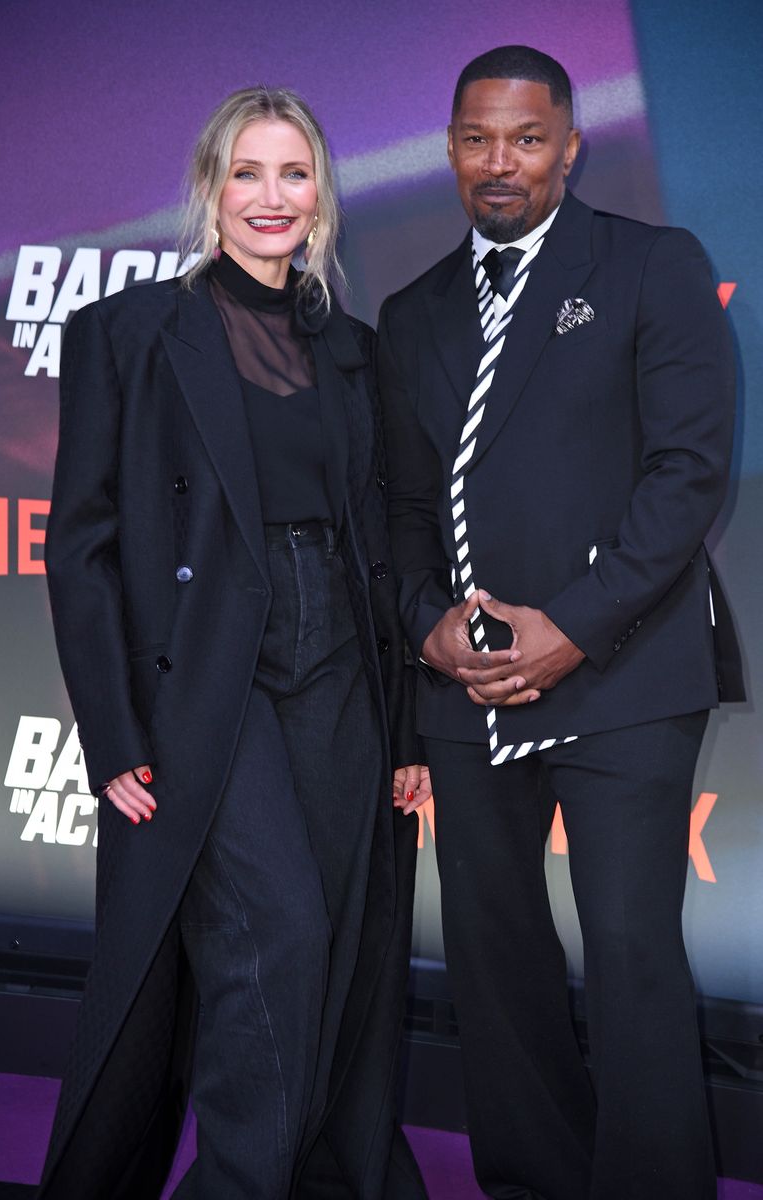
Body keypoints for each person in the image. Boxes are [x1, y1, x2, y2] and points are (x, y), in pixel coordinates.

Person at [39, 86, 430, 1200]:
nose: (272, 197)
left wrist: (408, 729)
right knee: (281, 936)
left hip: (342, 669)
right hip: (213, 666)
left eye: (294, 173)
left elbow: (379, 551)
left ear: (321, 197)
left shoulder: (356, 352)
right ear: (211, 189)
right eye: (247, 173)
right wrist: (112, 731)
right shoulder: (127, 334)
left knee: (346, 949)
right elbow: (81, 547)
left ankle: (319, 1177)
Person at [378, 45, 743, 1200]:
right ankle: (532, 1180)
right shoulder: (412, 310)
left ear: (571, 146)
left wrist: (572, 629)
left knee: (633, 957)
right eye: (479, 139)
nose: (502, 163)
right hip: (466, 684)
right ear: (450, 149)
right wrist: (426, 625)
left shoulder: (650, 266)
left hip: (622, 673)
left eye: (527, 139)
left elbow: (688, 478)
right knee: (493, 957)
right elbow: (393, 506)